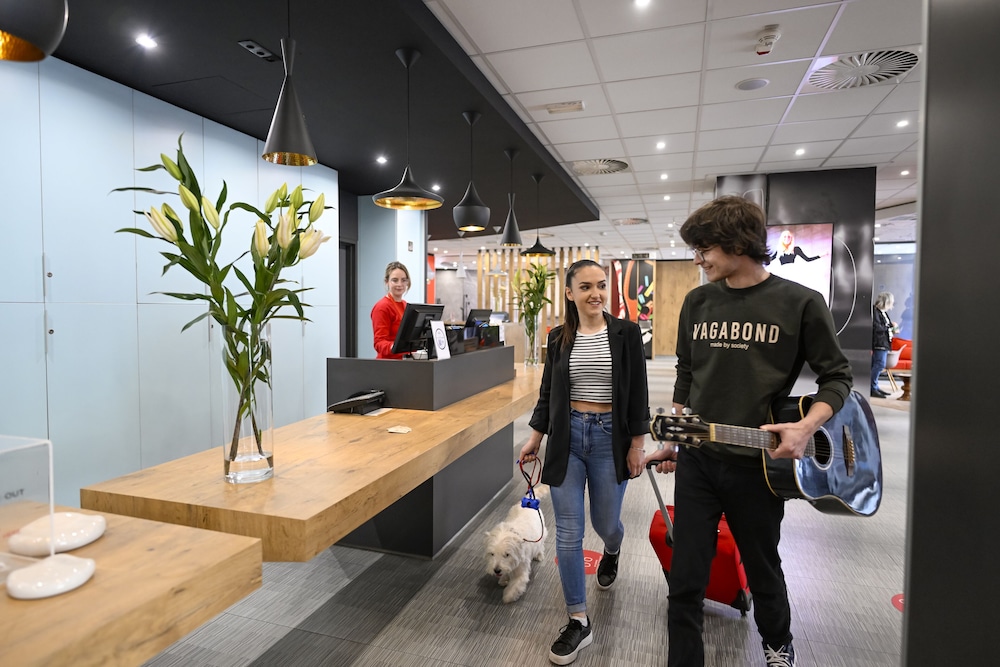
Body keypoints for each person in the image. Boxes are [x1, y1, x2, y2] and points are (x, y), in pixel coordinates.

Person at [645, 196, 852, 667]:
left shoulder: (800, 303)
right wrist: (676, 436)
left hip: (759, 468)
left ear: (737, 244)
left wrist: (806, 427)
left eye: (703, 249)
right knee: (685, 576)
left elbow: (837, 377)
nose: (697, 260)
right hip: (699, 461)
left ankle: (778, 643)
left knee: (762, 568)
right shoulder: (698, 301)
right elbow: (686, 372)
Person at [519, 259, 650, 666]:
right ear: (570, 293)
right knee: (569, 533)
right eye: (586, 286)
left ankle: (613, 547)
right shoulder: (558, 337)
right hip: (568, 439)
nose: (596, 293)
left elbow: (639, 392)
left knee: (606, 522)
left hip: (611, 438)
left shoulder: (627, 333)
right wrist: (536, 436)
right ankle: (578, 619)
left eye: (601, 285)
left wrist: (637, 444)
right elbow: (548, 393)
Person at [371, 261, 410, 359]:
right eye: (395, 280)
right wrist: (395, 347)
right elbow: (379, 343)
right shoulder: (382, 307)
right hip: (388, 364)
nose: (400, 284)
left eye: (403, 280)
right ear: (386, 282)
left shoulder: (405, 305)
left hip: (404, 362)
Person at [871, 291, 896, 398]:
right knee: (879, 364)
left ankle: (875, 387)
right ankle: (872, 388)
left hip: (884, 342)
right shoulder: (875, 312)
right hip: (879, 342)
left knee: (877, 364)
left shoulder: (883, 312)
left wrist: (891, 327)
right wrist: (889, 326)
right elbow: (876, 327)